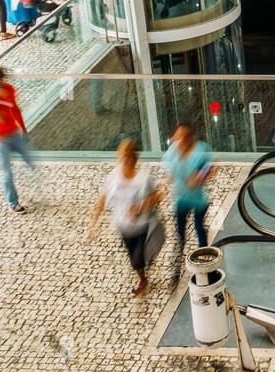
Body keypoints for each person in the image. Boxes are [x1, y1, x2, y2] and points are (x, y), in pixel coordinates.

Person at [87, 138, 164, 298]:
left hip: (142, 225)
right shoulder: (114, 176)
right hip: (123, 226)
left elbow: (159, 194)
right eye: (123, 156)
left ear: (135, 158)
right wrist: (92, 225)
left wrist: (141, 205)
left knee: (137, 258)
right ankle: (142, 275)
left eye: (129, 157)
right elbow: (102, 198)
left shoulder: (143, 177)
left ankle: (141, 281)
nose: (126, 160)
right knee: (133, 257)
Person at [0, 68, 36, 212]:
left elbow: (16, 109)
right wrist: (2, 99)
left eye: (2, 80)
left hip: (15, 134)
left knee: (30, 160)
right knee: (7, 172)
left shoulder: (10, 89)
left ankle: (33, 189)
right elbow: (1, 119)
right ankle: (13, 203)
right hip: (1, 139)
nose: (1, 83)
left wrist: (24, 129)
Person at [162, 122, 215, 256]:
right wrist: (166, 184)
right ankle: (180, 252)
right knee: (180, 228)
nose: (181, 138)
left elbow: (211, 166)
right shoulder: (173, 151)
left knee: (199, 226)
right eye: (179, 135)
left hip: (199, 198)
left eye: (184, 135)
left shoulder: (201, 149)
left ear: (190, 137)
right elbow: (169, 170)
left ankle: (203, 252)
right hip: (181, 198)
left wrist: (200, 178)